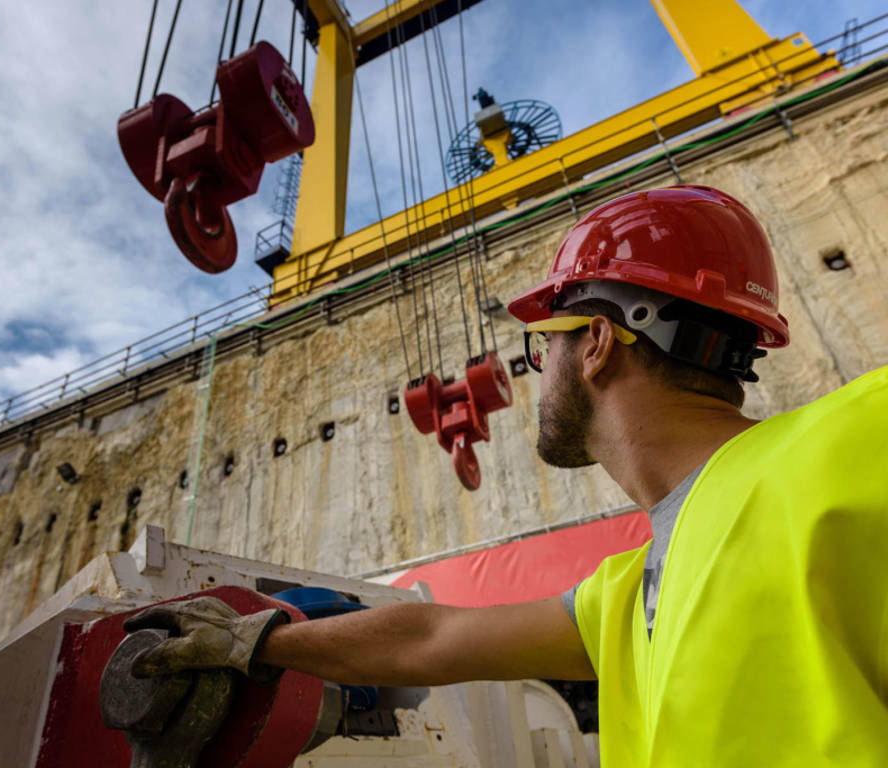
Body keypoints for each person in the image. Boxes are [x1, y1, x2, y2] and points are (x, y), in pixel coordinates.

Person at [124, 186, 888, 766]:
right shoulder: (625, 595)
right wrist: (254, 639)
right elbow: (432, 636)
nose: (537, 372)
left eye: (540, 346)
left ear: (596, 344)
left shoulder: (862, 434)